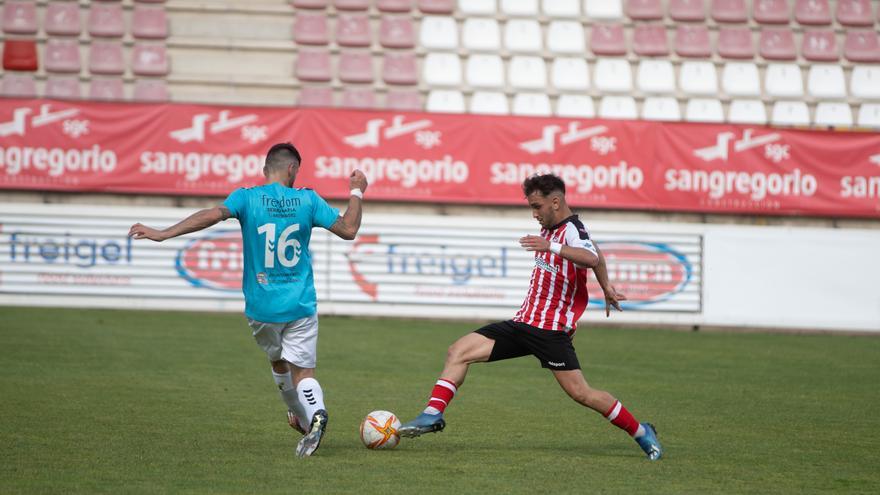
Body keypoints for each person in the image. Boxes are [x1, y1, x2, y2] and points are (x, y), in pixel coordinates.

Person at [398, 173, 663, 460]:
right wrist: (606, 285)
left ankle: (641, 432)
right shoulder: (551, 228)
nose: (534, 214)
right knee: (458, 351)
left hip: (551, 331)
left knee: (581, 393)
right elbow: (595, 248)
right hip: (524, 323)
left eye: (537, 207)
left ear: (556, 202)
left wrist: (552, 248)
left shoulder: (571, 230)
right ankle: (432, 414)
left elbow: (591, 257)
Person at [129, 142, 368, 458]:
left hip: (261, 306)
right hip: (300, 303)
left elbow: (211, 215)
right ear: (292, 168)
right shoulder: (308, 199)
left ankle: (301, 417)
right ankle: (315, 413)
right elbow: (349, 229)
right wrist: (356, 191)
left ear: (265, 169)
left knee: (278, 362)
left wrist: (163, 233)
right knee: (303, 373)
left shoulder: (246, 197)